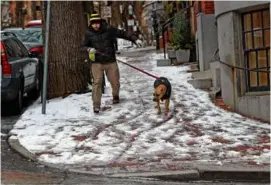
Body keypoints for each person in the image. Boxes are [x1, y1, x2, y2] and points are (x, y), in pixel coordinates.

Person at [81, 13, 142, 114]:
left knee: (115, 82)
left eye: (97, 23)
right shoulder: (88, 33)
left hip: (110, 61)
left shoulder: (109, 29)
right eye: (93, 24)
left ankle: (115, 95)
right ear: (90, 24)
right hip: (96, 62)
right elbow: (82, 46)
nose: (95, 25)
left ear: (100, 22)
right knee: (97, 83)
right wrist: (88, 49)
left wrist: (135, 39)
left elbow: (123, 34)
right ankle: (96, 105)